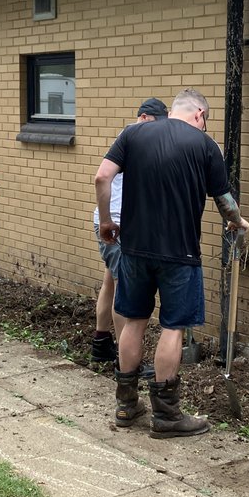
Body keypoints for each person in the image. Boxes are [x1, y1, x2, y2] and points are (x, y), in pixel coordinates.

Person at [95, 88, 249, 438]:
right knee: (173, 327)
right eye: (205, 120)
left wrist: (106, 221)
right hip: (180, 254)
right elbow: (225, 200)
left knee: (133, 321)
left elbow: (102, 177)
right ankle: (166, 416)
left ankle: (126, 405)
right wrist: (237, 221)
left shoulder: (132, 134)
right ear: (198, 114)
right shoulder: (205, 146)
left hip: (134, 250)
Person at [89, 97, 168, 367]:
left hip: (109, 222)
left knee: (110, 281)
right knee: (125, 290)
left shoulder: (126, 139)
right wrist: (110, 221)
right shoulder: (134, 138)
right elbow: (101, 178)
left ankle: (101, 342)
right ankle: (126, 360)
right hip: (117, 225)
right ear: (145, 118)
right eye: (157, 124)